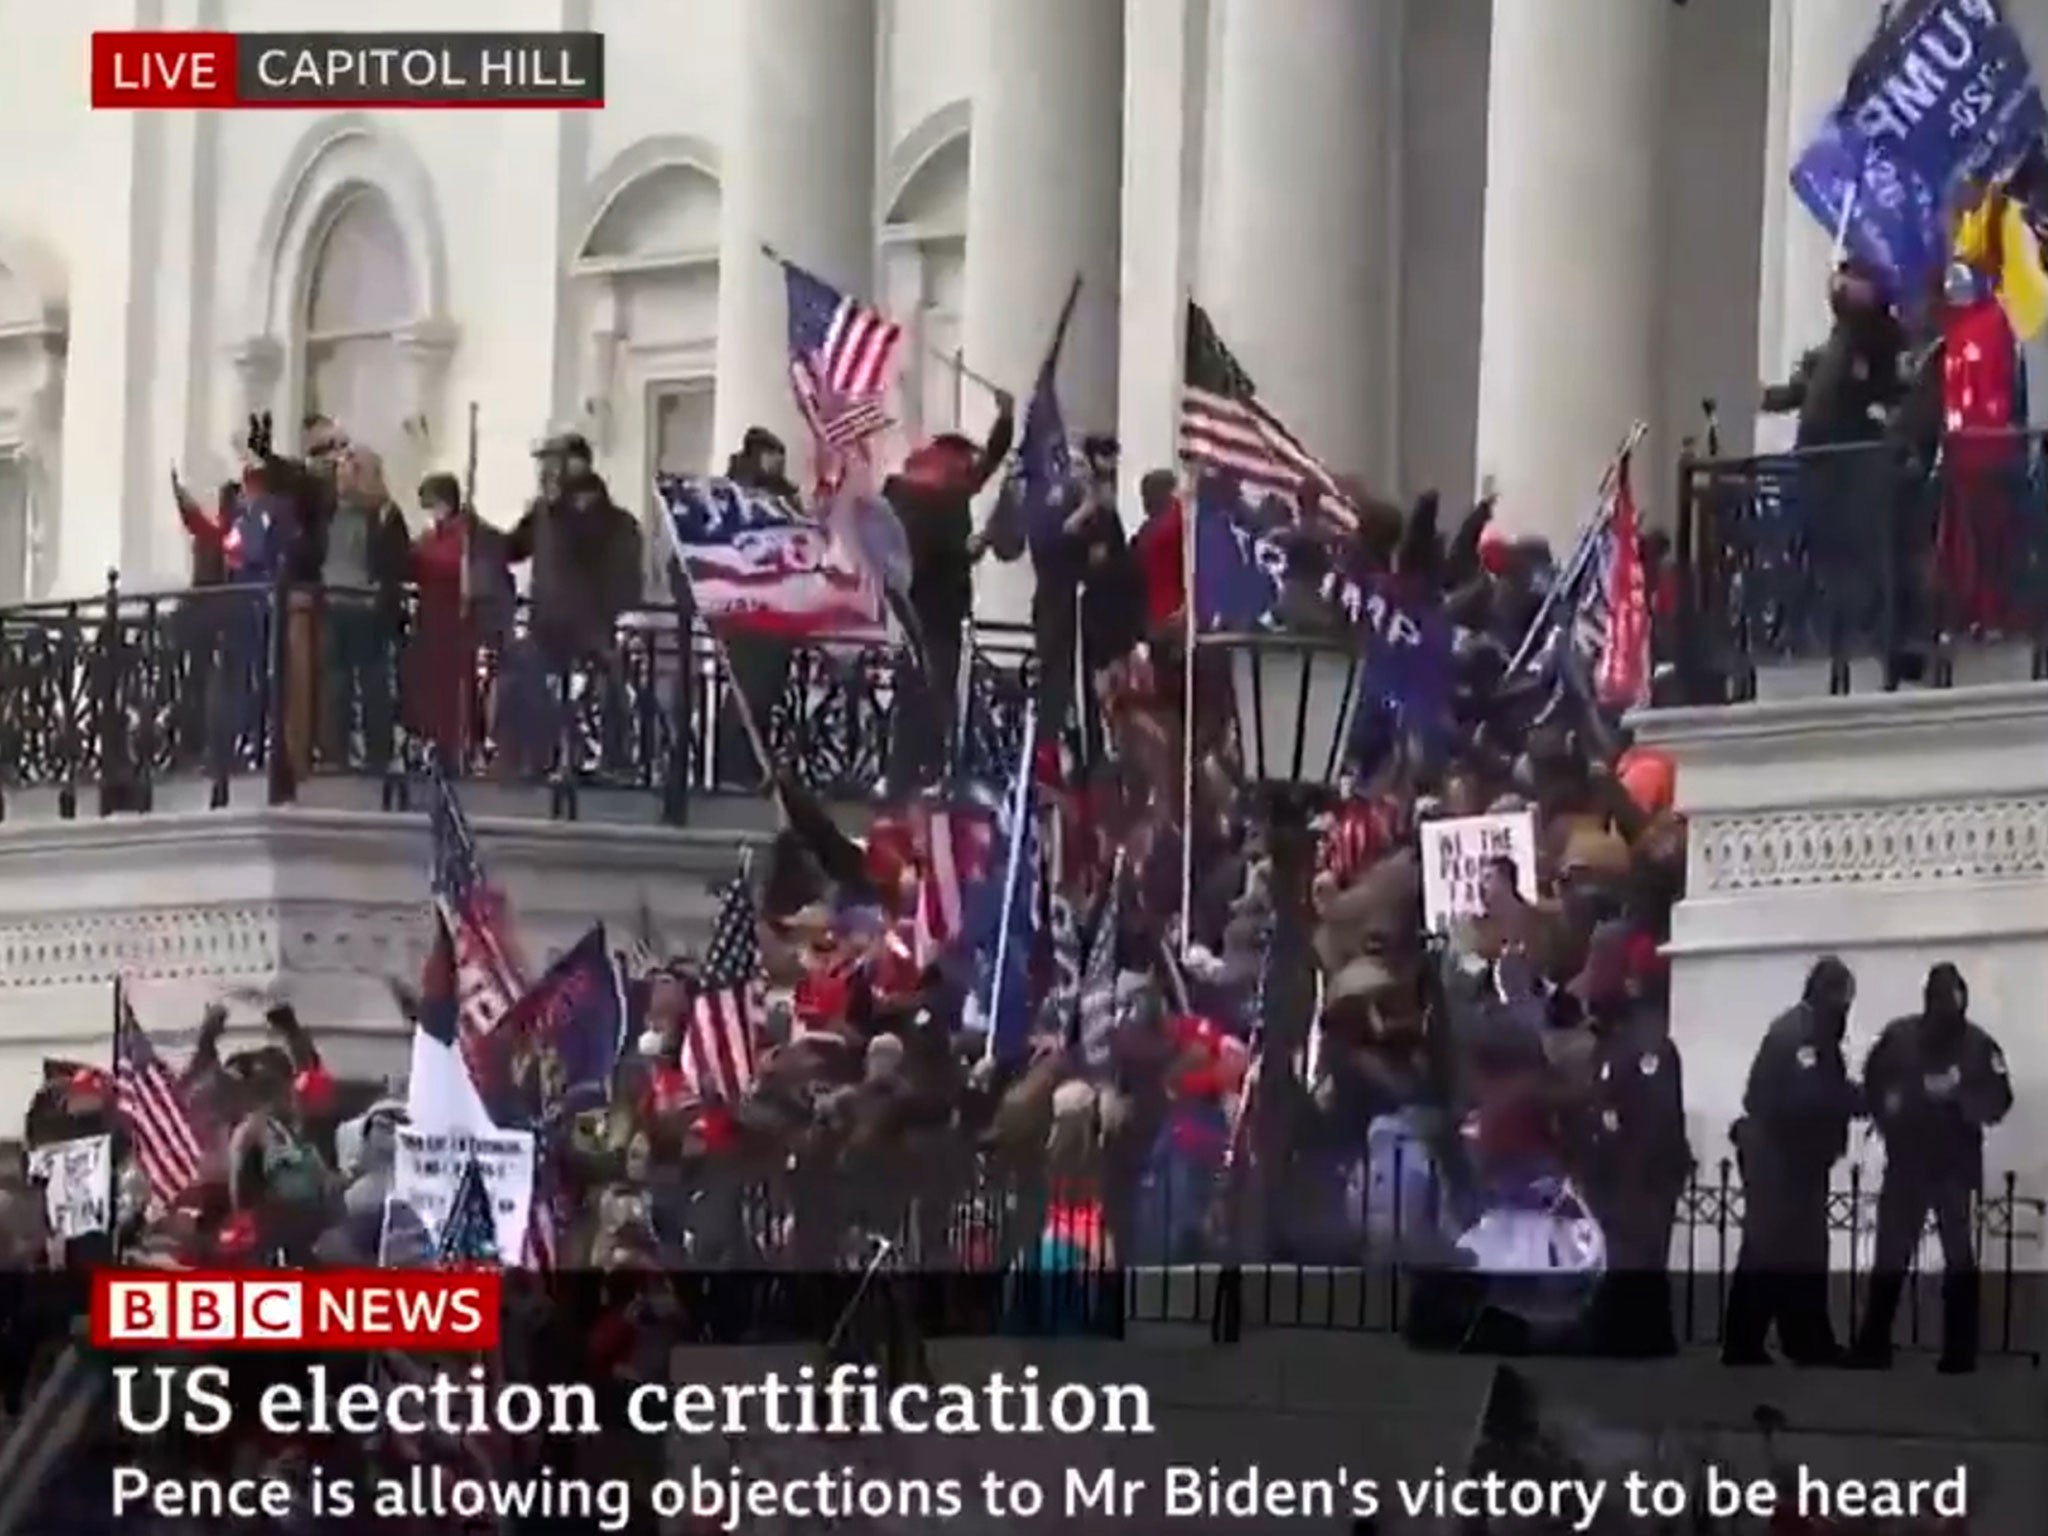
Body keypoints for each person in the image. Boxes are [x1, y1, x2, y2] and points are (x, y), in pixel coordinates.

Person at [1850, 962, 2012, 1373]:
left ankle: (1959, 1350)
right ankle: (1874, 1343)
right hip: (1909, 1162)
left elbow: (1998, 1100)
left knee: (1956, 1256)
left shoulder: (1977, 1045)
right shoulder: (1901, 1039)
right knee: (1892, 1253)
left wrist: (1959, 1099)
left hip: (1953, 1165)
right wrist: (1897, 1109)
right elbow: (1874, 1083)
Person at [1721, 956, 1862, 1366]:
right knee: (1778, 1248)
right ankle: (1777, 1342)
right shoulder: (1803, 1034)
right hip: (1781, 1157)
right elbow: (1808, 1096)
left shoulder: (1805, 1028)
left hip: (1790, 1156)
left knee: (1786, 1248)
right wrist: (1852, 1100)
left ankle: (1786, 1339)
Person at [886, 390, 1015, 792]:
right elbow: (943, 555)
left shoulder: (909, 491)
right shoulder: (941, 499)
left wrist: (1006, 423)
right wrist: (971, 548)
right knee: (934, 691)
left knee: (917, 692)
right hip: (935, 609)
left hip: (912, 608)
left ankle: (909, 773)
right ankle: (927, 771)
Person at [1577, 923, 1689, 1356]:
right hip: (1613, 1178)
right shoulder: (1614, 1037)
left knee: (1636, 1255)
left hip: (1637, 1180)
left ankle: (1635, 1334)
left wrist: (1631, 1178)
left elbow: (1653, 1123)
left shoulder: (1646, 1043)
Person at [503, 431, 642, 774]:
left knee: (605, 689)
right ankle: (534, 756)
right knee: (522, 676)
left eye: (554, 462)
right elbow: (512, 549)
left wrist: (611, 615)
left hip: (591, 626)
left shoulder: (611, 520)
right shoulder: (544, 513)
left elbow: (605, 562)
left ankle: (610, 759)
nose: (546, 471)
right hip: (547, 623)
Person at [407, 472, 513, 766]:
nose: (430, 514)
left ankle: (461, 746)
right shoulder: (435, 537)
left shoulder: (468, 537)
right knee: (437, 688)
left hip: (460, 620)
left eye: (432, 505)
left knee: (461, 688)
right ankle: (441, 744)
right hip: (434, 618)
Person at [320, 446, 411, 771]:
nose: (343, 477)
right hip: (334, 603)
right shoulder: (330, 510)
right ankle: (335, 751)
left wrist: (381, 593)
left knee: (373, 682)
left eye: (351, 470)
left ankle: (378, 753)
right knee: (336, 682)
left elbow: (397, 560)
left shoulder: (384, 513)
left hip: (369, 607)